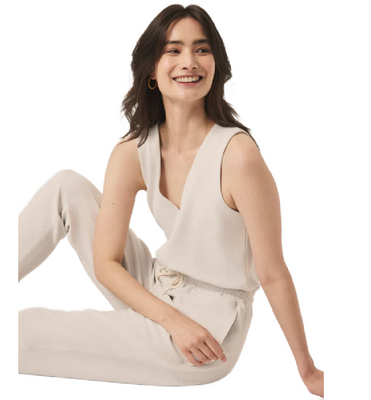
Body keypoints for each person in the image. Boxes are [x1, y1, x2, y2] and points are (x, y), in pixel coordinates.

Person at [18, 4, 324, 396]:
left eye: (202, 49)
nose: (189, 61)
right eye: (173, 50)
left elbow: (273, 273)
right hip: (159, 285)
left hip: (207, 330)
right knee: (67, 186)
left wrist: (308, 371)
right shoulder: (133, 151)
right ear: (151, 69)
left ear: (216, 64)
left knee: (17, 334)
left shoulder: (238, 157)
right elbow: (105, 263)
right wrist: (169, 317)